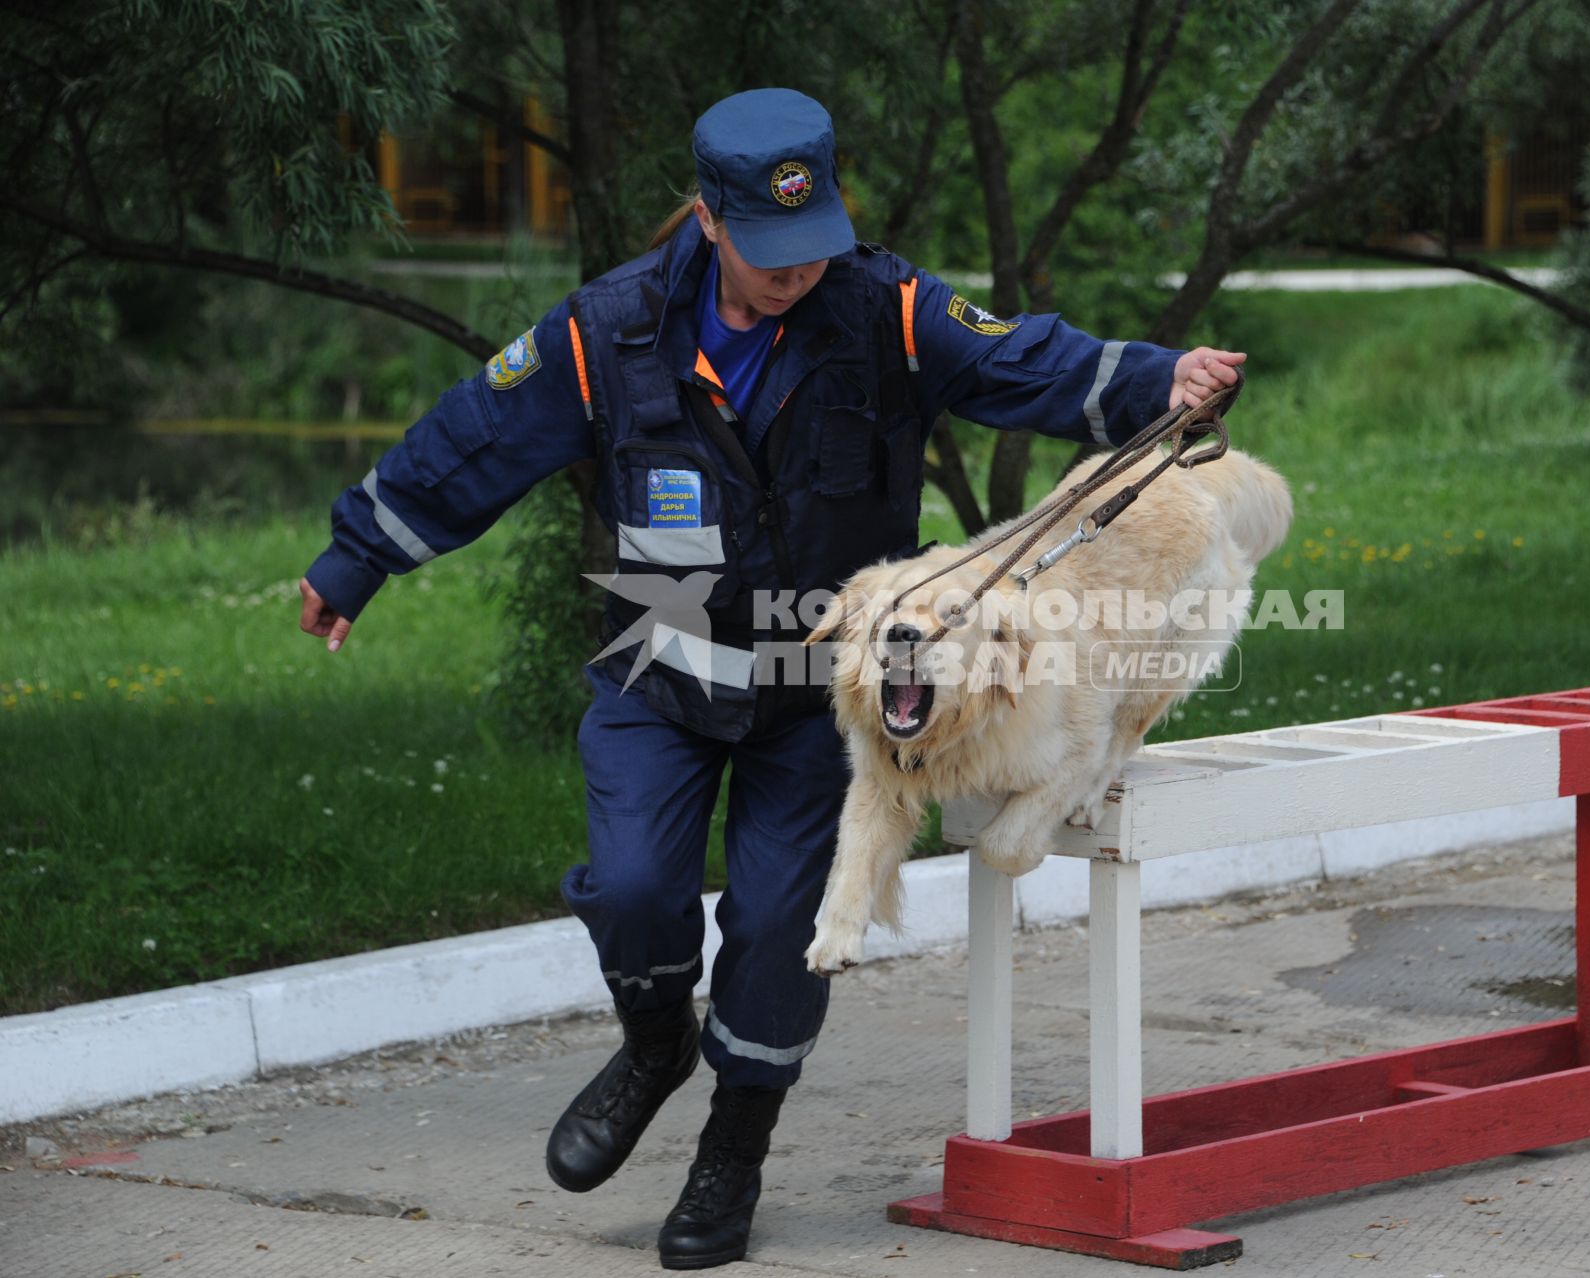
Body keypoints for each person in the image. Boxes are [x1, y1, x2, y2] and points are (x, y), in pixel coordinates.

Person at [296, 87, 1243, 1270]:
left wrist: (1163, 381)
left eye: (815, 248)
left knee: (776, 930)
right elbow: (475, 437)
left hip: (820, 694)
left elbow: (1023, 362)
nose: (798, 273)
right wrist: (355, 558)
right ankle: (653, 1044)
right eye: (770, 253)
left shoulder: (885, 310)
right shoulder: (609, 331)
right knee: (637, 888)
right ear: (711, 219)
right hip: (664, 666)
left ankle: (730, 1157)